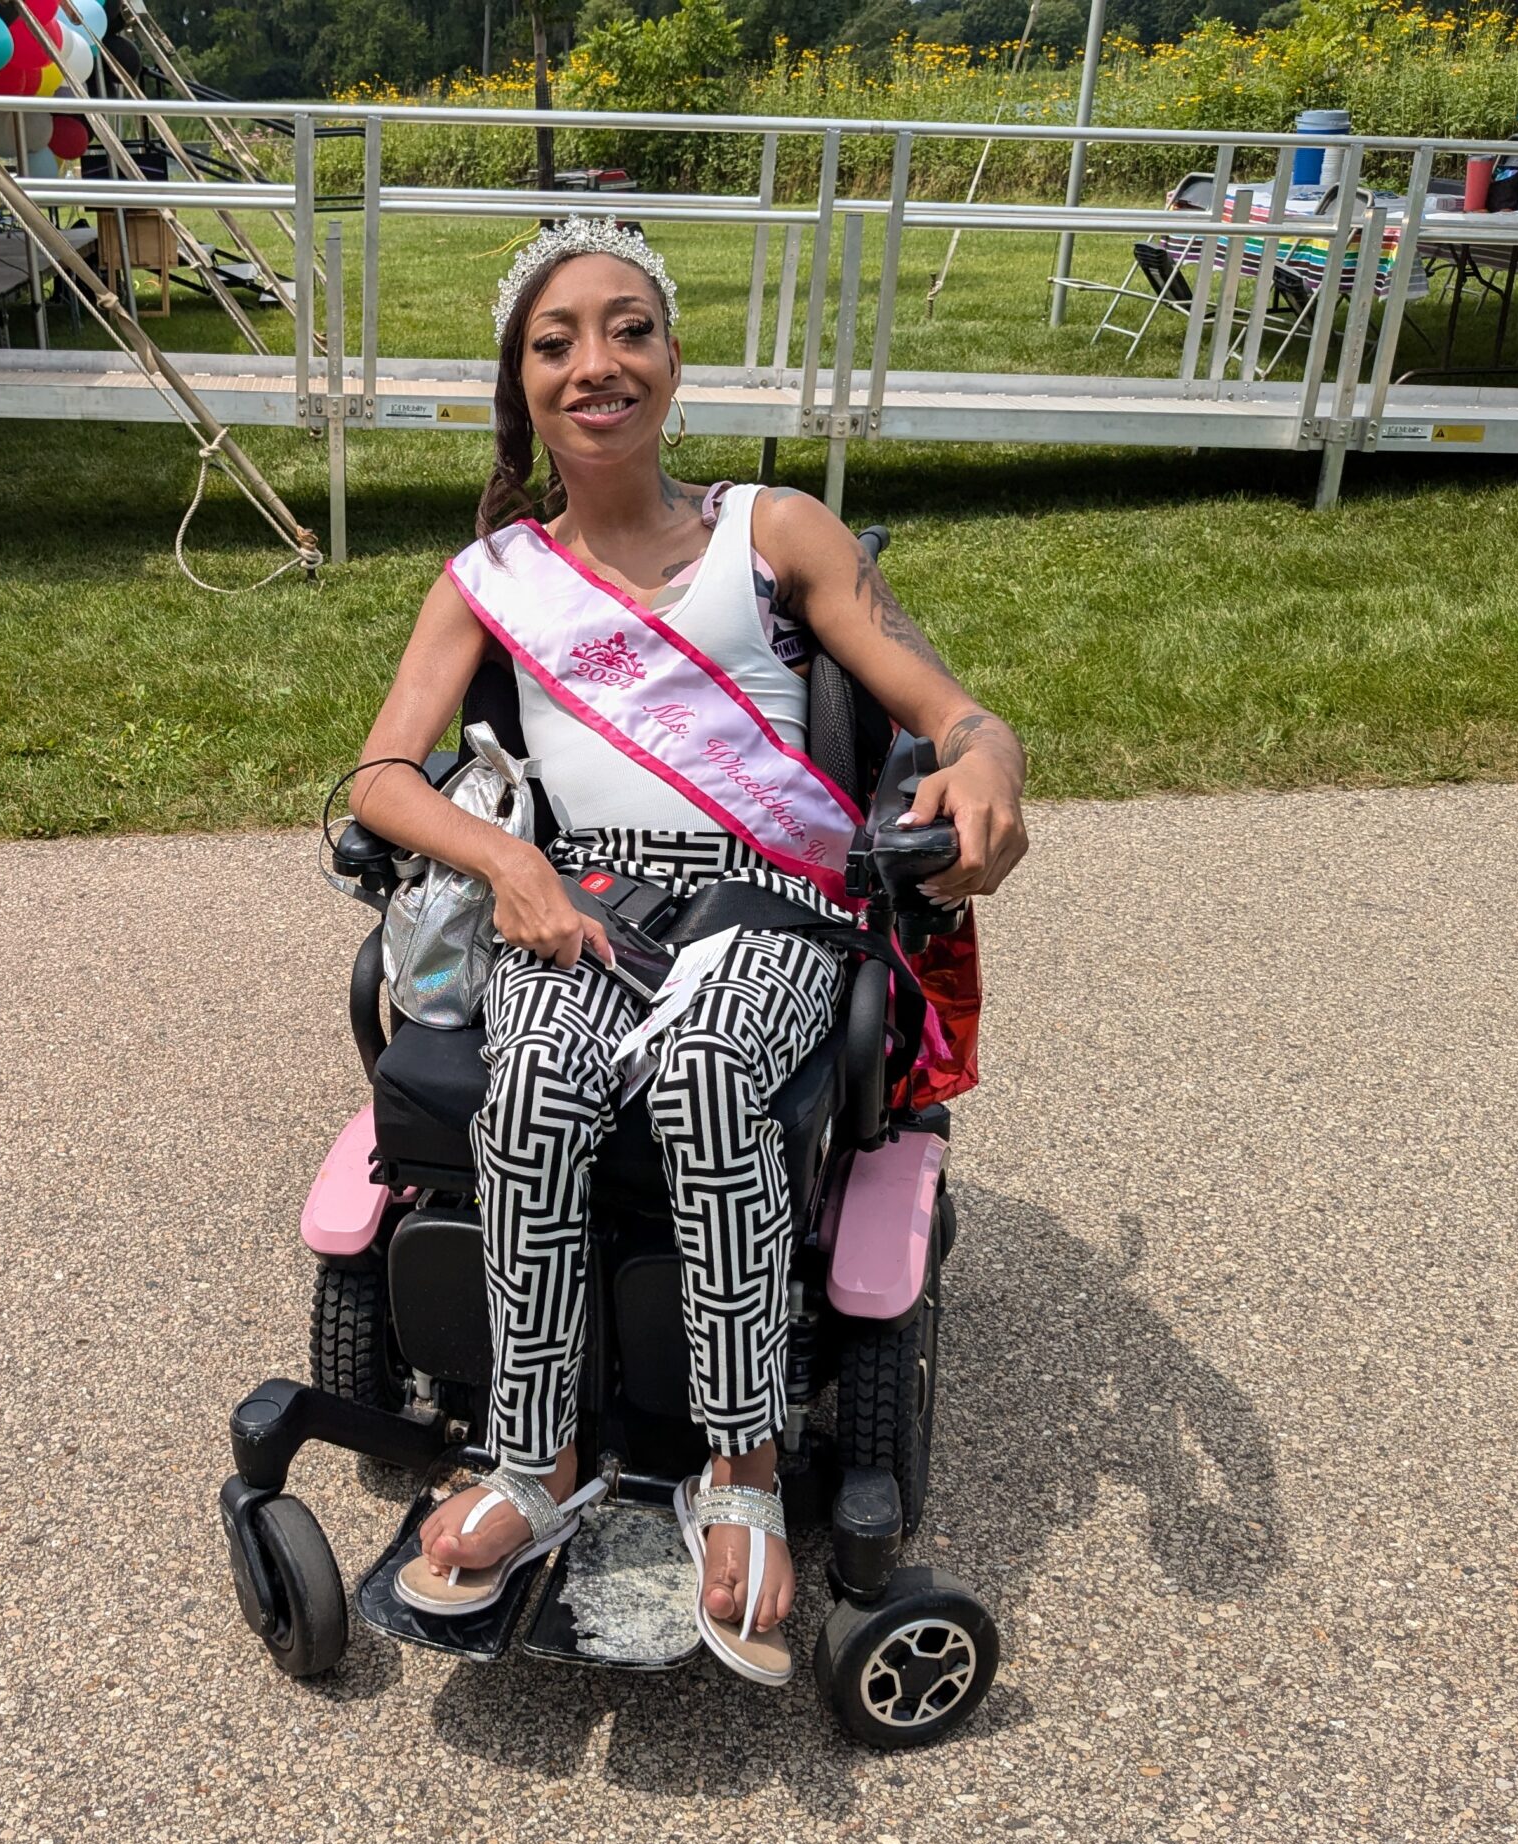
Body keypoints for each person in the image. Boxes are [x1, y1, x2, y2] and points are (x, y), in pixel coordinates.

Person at [352, 218, 1030, 1686]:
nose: (595, 363)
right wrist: (509, 862)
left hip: (769, 899)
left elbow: (952, 707)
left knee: (713, 1074)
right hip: (577, 896)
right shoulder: (491, 579)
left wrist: (991, 757)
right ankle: (535, 1462)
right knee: (527, 1090)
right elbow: (383, 777)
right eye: (556, 342)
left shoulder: (769, 531)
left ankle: (740, 1465)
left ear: (672, 359)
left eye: (628, 330)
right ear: (519, 384)